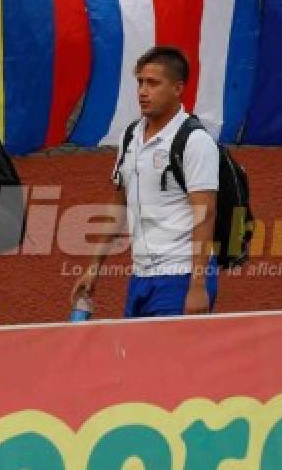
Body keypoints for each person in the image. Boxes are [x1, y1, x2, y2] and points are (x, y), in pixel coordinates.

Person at [71, 46, 219, 318]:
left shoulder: (195, 141)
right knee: (141, 359)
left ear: (178, 88)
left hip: (180, 277)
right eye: (140, 82)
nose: (142, 91)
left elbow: (205, 213)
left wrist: (197, 285)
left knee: (170, 359)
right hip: (140, 277)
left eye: (153, 83)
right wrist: (94, 267)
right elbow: (118, 206)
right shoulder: (130, 136)